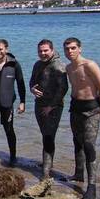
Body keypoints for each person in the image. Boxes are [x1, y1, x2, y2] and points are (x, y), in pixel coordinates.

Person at [64, 37, 100, 199]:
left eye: (73, 48)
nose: (70, 51)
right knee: (77, 141)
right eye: (67, 49)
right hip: (75, 107)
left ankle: (92, 187)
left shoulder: (90, 65)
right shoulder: (69, 68)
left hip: (91, 110)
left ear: (80, 49)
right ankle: (78, 174)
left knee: (89, 146)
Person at [29, 39, 68, 180]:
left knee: (49, 136)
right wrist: (32, 89)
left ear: (52, 50)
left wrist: (51, 106)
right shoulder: (38, 64)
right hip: (39, 105)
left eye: (45, 50)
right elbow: (32, 81)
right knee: (45, 134)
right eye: (40, 51)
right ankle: (47, 163)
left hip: (54, 107)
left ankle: (46, 172)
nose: (43, 53)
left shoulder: (58, 66)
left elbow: (63, 88)